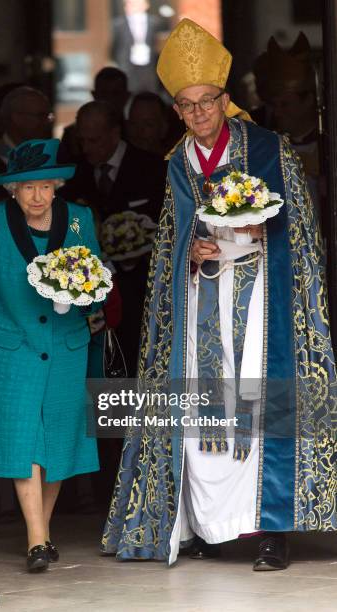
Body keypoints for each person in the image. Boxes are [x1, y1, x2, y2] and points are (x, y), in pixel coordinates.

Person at [101, 19, 337, 570]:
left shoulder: (269, 149)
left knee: (262, 400)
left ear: (226, 100)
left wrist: (264, 234)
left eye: (207, 101)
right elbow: (168, 238)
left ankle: (272, 531)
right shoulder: (177, 165)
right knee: (204, 406)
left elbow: (302, 228)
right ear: (177, 112)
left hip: (262, 301)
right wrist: (188, 252)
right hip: (202, 301)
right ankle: (210, 527)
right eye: (187, 106)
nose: (199, 113)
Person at [0, 138, 103, 572]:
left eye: (45, 186)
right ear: (12, 191)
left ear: (57, 185)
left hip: (66, 345)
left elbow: (98, 281)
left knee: (58, 443)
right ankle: (37, 540)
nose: (37, 196)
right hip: (11, 350)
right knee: (25, 441)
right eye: (27, 188)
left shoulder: (79, 219)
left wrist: (79, 297)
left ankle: (41, 532)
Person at [61, 100, 167, 376]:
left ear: (114, 133)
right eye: (82, 140)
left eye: (94, 140)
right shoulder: (74, 175)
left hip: (145, 293)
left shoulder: (153, 169)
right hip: (94, 296)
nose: (87, 149)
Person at [252, 33, 321, 220]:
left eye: (285, 104)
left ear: (307, 100)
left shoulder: (327, 144)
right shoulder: (267, 145)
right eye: (274, 105)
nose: (277, 112)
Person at [58, 67, 131, 164]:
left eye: (115, 93)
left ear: (126, 96)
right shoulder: (72, 135)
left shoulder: (136, 132)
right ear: (94, 95)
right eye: (104, 93)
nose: (109, 99)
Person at [111, 0, 164, 93]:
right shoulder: (117, 25)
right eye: (131, 3)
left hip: (149, 69)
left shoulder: (155, 23)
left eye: (137, 3)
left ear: (146, 5)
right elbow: (114, 47)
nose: (134, 6)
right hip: (127, 69)